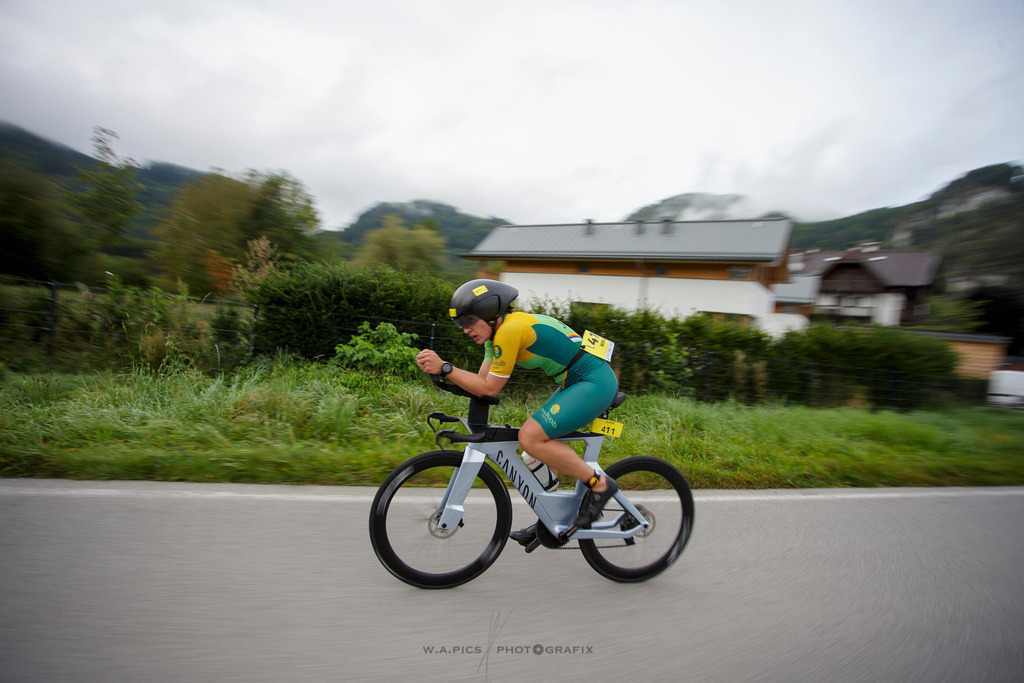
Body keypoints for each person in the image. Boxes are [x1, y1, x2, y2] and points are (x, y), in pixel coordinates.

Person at [415, 278, 619, 546]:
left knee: (530, 437)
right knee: (532, 453)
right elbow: (481, 388)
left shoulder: (511, 330)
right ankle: (549, 518)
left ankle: (600, 485)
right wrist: (446, 376)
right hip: (575, 381)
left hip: (594, 382)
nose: (464, 330)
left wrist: (446, 368)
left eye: (468, 321)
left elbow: (489, 388)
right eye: (460, 324)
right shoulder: (496, 336)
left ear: (489, 314)